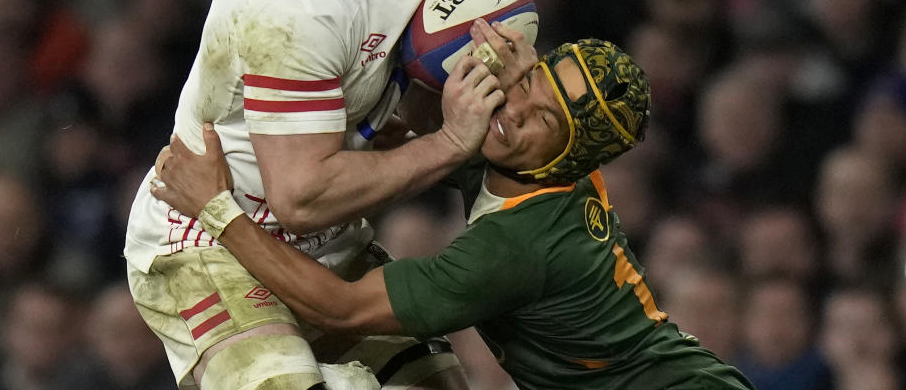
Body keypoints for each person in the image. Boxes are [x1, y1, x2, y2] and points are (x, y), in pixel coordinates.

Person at [124, 0, 529, 390]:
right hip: (213, 240)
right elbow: (302, 196)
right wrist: (449, 144)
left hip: (330, 243)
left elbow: (417, 111)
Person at [153, 38, 757, 390]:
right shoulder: (528, 163)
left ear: (568, 157)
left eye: (545, 119)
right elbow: (423, 124)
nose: (514, 111)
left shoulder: (518, 245)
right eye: (528, 82)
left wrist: (217, 210)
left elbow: (340, 307)